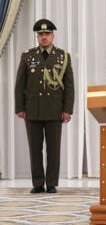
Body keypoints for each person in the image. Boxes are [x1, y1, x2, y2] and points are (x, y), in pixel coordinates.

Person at [14, 19, 74, 194]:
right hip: (32, 110)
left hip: (55, 111)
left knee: (54, 149)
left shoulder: (63, 56)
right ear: (37, 36)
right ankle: (38, 183)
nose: (44, 37)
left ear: (52, 35)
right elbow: (20, 84)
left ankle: (52, 183)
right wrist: (20, 107)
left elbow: (69, 86)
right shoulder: (28, 56)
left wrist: (67, 109)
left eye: (47, 34)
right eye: (40, 34)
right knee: (35, 148)